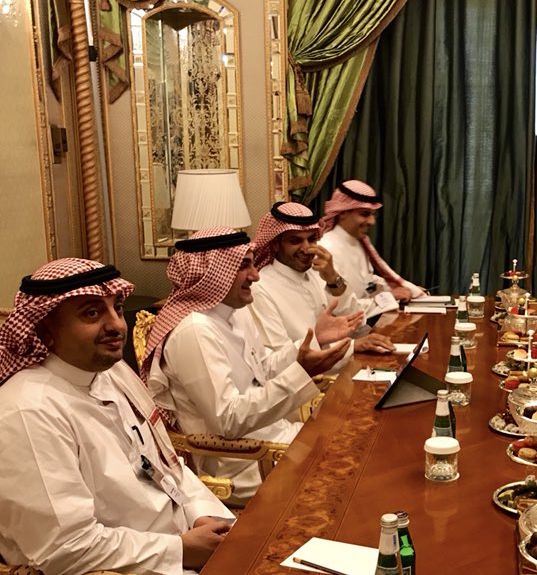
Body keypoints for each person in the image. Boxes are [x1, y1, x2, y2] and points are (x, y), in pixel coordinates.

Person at [0, 258, 233, 574]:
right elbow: (65, 549)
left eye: (118, 309)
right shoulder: (29, 412)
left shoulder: (112, 373)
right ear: (45, 330)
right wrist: (180, 550)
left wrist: (201, 514)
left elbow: (166, 463)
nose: (116, 325)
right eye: (92, 313)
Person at [142, 227, 354, 502]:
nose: (255, 275)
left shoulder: (234, 313)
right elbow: (228, 421)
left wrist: (314, 340)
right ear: (213, 274)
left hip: (276, 435)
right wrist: (303, 373)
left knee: (354, 439)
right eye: (243, 266)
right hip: (242, 462)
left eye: (253, 264)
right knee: (348, 473)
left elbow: (263, 369)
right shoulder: (194, 331)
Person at [249, 201, 395, 355]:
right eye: (295, 241)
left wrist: (333, 279)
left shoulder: (317, 272)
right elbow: (279, 358)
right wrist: (351, 346)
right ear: (275, 245)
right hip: (305, 377)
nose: (306, 249)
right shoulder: (261, 288)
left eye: (311, 239)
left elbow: (357, 321)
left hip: (340, 365)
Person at [319, 179, 425, 309]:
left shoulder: (359, 243)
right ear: (343, 213)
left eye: (373, 215)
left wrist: (401, 289)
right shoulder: (325, 249)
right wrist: (389, 297)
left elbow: (368, 284)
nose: (371, 221)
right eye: (365, 214)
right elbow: (341, 307)